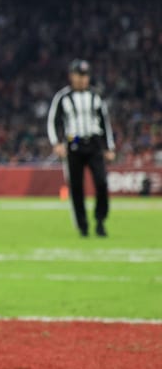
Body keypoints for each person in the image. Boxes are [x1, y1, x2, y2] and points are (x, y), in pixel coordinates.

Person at [47, 58, 115, 237]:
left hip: (93, 144)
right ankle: (82, 225)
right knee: (76, 188)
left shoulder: (96, 96)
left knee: (101, 183)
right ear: (72, 76)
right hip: (74, 144)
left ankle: (100, 220)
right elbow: (53, 122)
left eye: (85, 76)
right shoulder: (62, 97)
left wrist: (109, 147)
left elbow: (105, 122)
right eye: (79, 75)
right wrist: (56, 143)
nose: (82, 79)